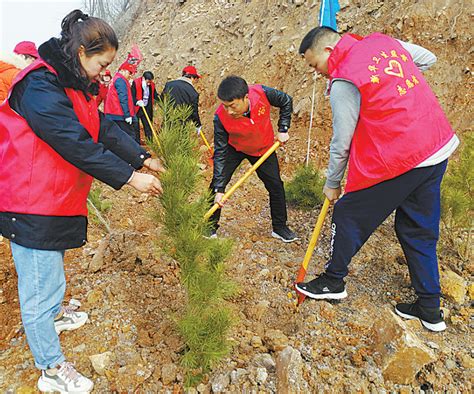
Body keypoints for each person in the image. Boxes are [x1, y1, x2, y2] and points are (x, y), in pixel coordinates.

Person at [0, 10, 163, 393]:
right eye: (102, 64)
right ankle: (51, 369)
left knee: (50, 269)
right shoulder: (40, 86)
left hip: (51, 198)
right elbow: (73, 141)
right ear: (80, 52)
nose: (104, 74)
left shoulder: (74, 85)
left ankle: (55, 313)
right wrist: (130, 177)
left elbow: (101, 127)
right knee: (38, 286)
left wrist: (141, 157)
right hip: (28, 202)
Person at [295, 27, 459, 332]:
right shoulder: (382, 42)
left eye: (314, 65)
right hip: (436, 145)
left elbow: (341, 141)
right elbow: (427, 58)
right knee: (417, 230)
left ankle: (333, 280)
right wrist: (391, 87)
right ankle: (430, 309)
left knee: (348, 213)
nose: (317, 73)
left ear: (329, 52)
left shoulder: (344, 78)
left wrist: (332, 183)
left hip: (402, 156)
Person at [209, 75, 297, 243]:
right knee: (214, 186)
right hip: (234, 148)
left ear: (245, 97)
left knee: (276, 186)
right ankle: (210, 225)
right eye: (225, 106)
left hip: (263, 148)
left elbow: (286, 101)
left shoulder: (262, 93)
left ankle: (280, 228)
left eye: (232, 106)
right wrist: (220, 188)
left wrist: (283, 128)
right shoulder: (220, 117)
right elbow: (220, 152)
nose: (229, 111)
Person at [104, 54, 139, 142]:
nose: (130, 75)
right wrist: (127, 115)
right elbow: (123, 98)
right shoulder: (120, 80)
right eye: (130, 73)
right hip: (119, 115)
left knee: (119, 137)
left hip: (115, 114)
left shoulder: (117, 79)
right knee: (130, 138)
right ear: (123, 70)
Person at [132, 70, 159, 141]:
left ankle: (150, 143)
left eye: (150, 82)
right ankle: (137, 144)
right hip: (137, 108)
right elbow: (131, 96)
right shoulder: (136, 83)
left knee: (148, 126)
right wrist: (137, 101)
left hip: (146, 108)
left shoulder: (152, 85)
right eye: (148, 82)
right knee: (135, 127)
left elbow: (154, 95)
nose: (149, 84)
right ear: (143, 78)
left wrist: (161, 99)